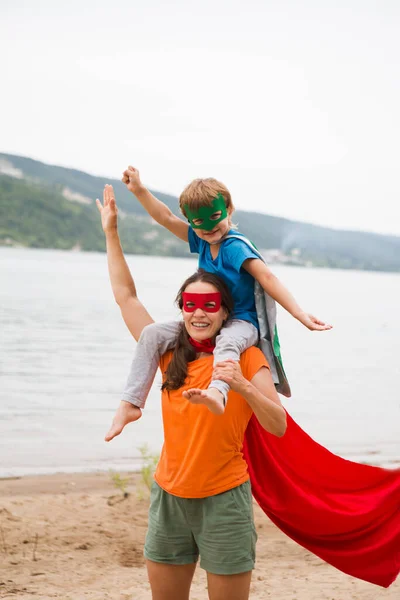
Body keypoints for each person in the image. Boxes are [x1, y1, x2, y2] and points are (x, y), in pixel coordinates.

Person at [96, 185, 287, 600]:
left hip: (225, 502)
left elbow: (278, 425)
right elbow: (125, 296)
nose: (199, 313)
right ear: (182, 308)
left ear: (225, 311)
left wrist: (238, 384)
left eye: (210, 305)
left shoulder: (247, 358)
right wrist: (111, 231)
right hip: (169, 498)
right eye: (190, 305)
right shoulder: (167, 353)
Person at [116, 167, 332, 417]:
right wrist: (140, 190)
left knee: (227, 341)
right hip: (210, 319)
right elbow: (165, 218)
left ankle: (217, 393)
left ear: (228, 209)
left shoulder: (234, 247)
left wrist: (300, 314)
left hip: (242, 322)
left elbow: (266, 276)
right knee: (151, 333)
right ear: (191, 221)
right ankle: (131, 403)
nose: (209, 228)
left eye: (215, 217)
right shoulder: (202, 241)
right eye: (198, 223)